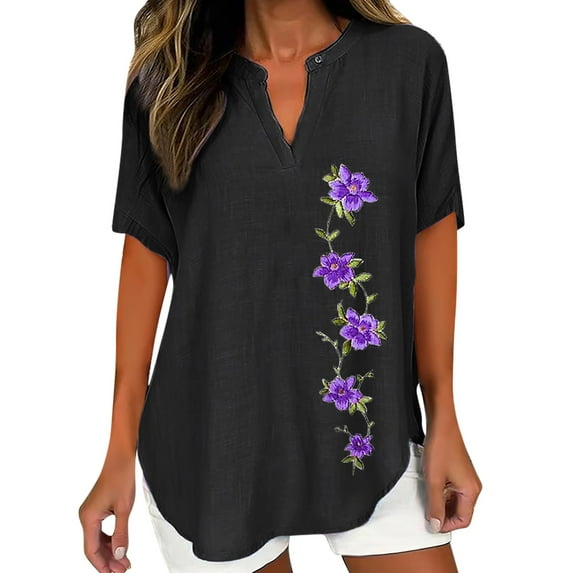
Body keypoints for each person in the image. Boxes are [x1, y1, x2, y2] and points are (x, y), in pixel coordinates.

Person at [78, 0, 483, 571]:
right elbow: (147, 258)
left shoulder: (408, 64)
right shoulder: (169, 82)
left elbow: (431, 235)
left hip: (375, 433)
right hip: (214, 438)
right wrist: (118, 454)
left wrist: (444, 418)